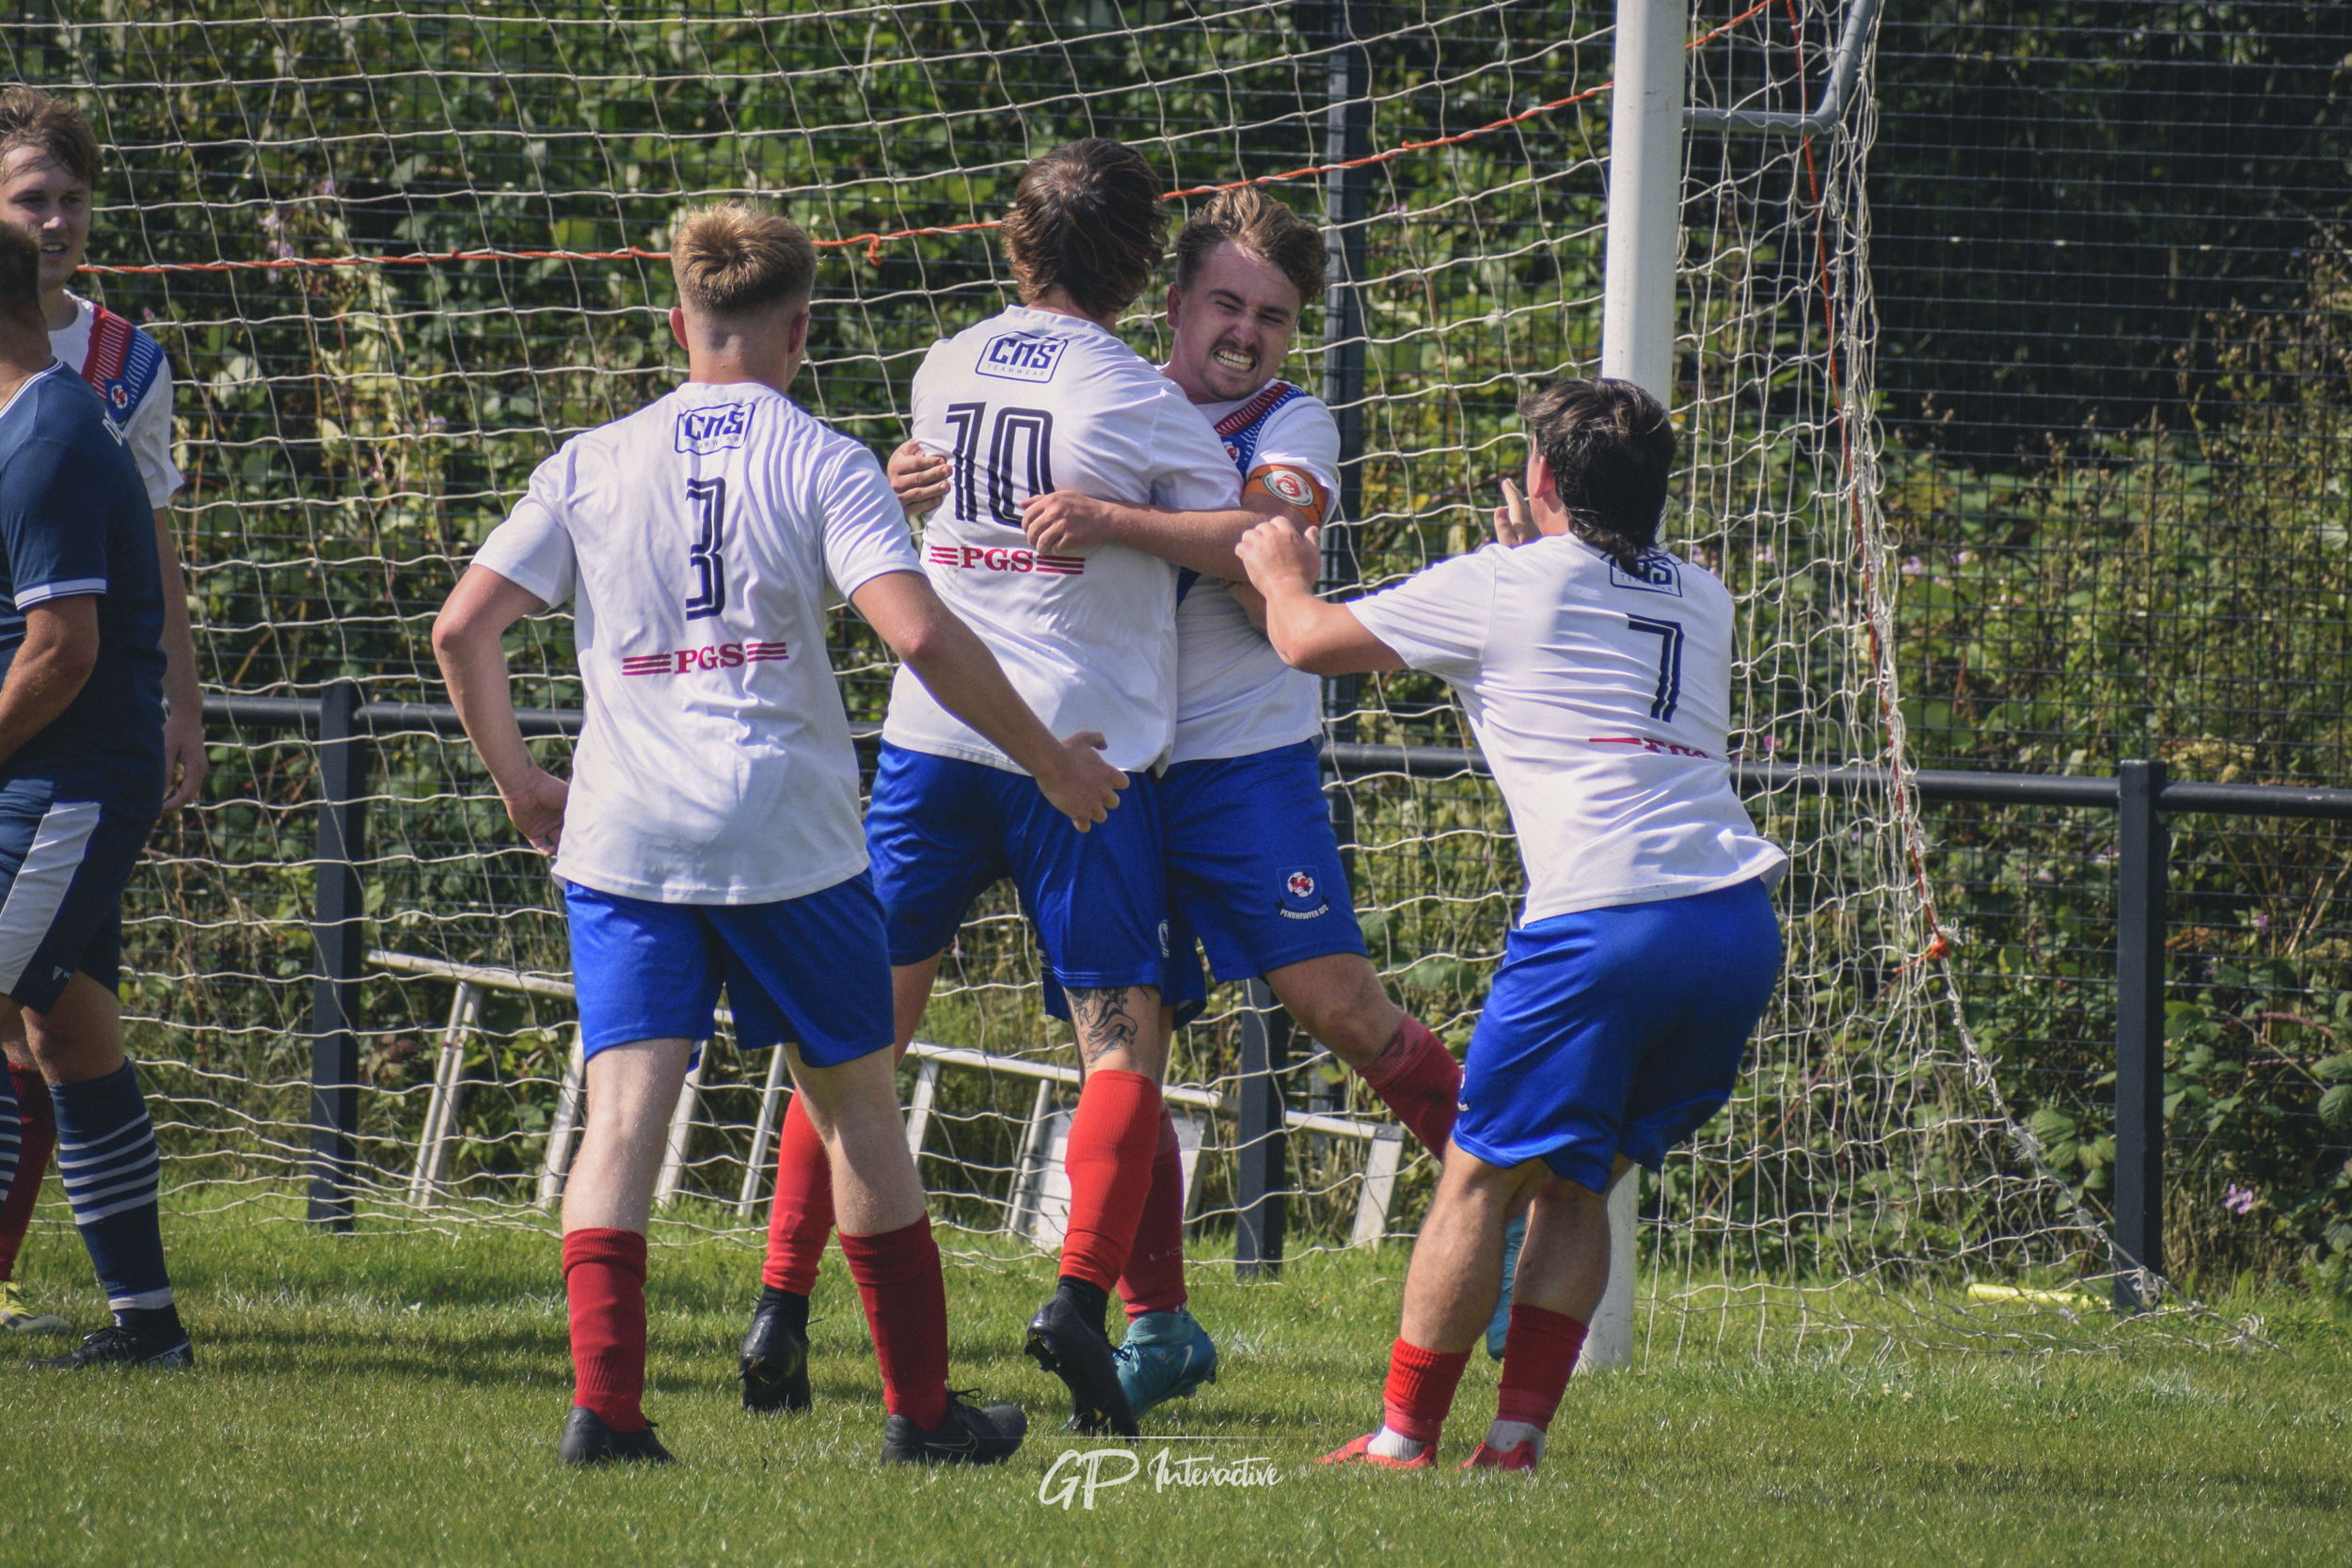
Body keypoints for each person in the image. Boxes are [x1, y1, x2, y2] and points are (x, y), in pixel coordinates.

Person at [433, 202, 1123, 1465]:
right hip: (785, 835)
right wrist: (1047, 758)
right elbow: (915, 631)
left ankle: (607, 1408)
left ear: (681, 318)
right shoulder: (822, 456)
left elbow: (460, 627)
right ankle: (922, 1413)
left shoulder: (592, 458)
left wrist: (526, 782)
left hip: (626, 833)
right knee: (858, 1105)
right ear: (801, 328)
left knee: (623, 1114)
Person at [881, 185, 1463, 1422]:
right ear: (1177, 300)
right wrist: (919, 476)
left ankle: (1499, 1198)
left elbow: (1271, 555)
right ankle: (1156, 1320)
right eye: (1227, 304)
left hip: (1243, 766)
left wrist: (1107, 516)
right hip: (1119, 767)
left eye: (1275, 315)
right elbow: (981, 490)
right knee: (1125, 1032)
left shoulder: (1292, 420)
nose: (1246, 331)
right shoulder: (1108, 388)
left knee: (1336, 1003)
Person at [740, 139, 1243, 1440]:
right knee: (1120, 1040)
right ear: (1142, 264)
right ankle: (1080, 1298)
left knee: (858, 1040)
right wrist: (1142, 524)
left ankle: (780, 1306)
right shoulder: (1140, 398)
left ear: (1014, 248)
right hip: (1077, 761)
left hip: (932, 742)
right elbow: (1250, 542)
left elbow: (925, 505)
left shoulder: (946, 360)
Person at [1235, 376, 1786, 1473]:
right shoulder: (1706, 595)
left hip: (1603, 923)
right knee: (1583, 1181)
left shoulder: (1502, 582)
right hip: (1732, 923)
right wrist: (1528, 554)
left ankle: (1401, 1437)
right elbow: (1576, 627)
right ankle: (1518, 1435)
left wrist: (1278, 565)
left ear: (1540, 478)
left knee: (1476, 1177)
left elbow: (1303, 641)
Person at [0, 86, 204, 1339]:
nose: (59, 218)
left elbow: (148, 554)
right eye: (33, 198)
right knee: (61, 1012)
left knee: (42, 1000)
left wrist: (185, 695)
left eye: (72, 197)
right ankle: (137, 1310)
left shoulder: (115, 368)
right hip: (38, 715)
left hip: (67, 727)